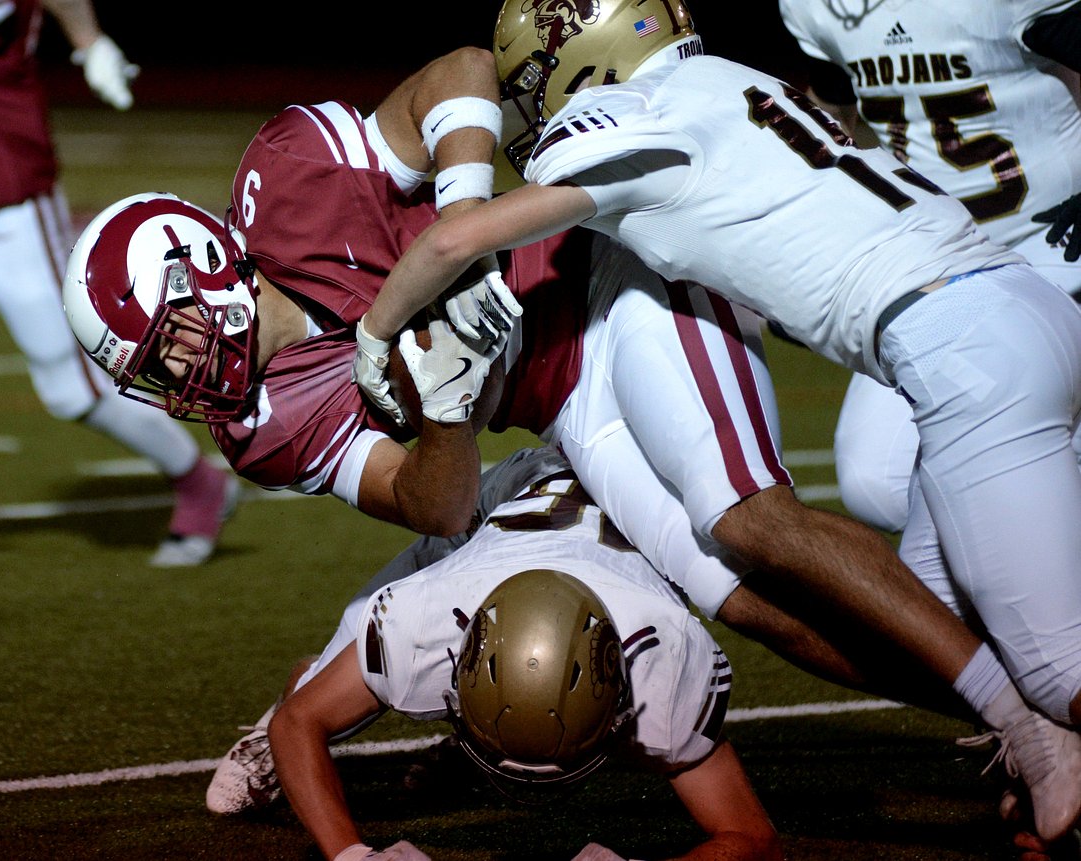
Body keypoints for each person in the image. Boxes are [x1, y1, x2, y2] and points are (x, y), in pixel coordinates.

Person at [62, 45, 1081, 843]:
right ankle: (1008, 701)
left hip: (613, 277)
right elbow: (439, 511)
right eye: (151, 372)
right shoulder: (261, 427)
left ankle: (1028, 721)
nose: (177, 381)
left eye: (170, 343)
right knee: (742, 600)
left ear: (199, 264)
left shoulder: (288, 176)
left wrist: (459, 217)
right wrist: (450, 408)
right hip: (561, 407)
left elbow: (461, 72)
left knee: (745, 517)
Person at [351, 0, 1081, 843]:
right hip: (1014, 307)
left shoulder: (621, 119)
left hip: (961, 349)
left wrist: (374, 336)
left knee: (1056, 675)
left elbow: (455, 244)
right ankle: (1038, 757)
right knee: (945, 627)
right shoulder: (728, 78)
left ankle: (1045, 739)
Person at [204, 446, 783, 861]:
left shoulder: (661, 657)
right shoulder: (423, 620)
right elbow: (299, 721)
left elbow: (756, 842)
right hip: (507, 498)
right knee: (312, 690)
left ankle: (475, 743)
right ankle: (324, 677)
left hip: (647, 503)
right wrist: (350, 854)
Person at [0, 0, 238, 566]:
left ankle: (199, 482)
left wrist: (89, 41)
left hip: (10, 213)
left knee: (72, 393)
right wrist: (88, 39)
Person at [775, 0, 1081, 534]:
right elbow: (832, 123)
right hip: (938, 264)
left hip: (1056, 248)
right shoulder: (814, 8)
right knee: (879, 482)